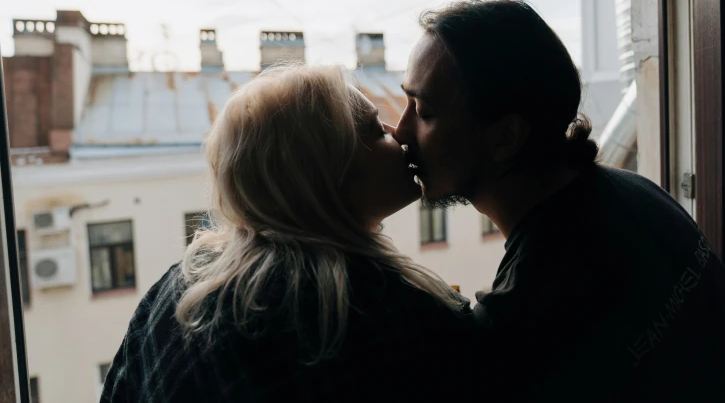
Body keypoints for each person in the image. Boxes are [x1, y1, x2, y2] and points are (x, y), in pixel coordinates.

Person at [394, 0, 725, 402]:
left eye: (423, 111)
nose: (400, 130)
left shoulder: (527, 311)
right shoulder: (636, 194)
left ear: (505, 137)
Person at [100, 65, 475, 403]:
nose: (401, 134)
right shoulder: (385, 310)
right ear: (327, 175)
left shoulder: (179, 288)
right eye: (377, 131)